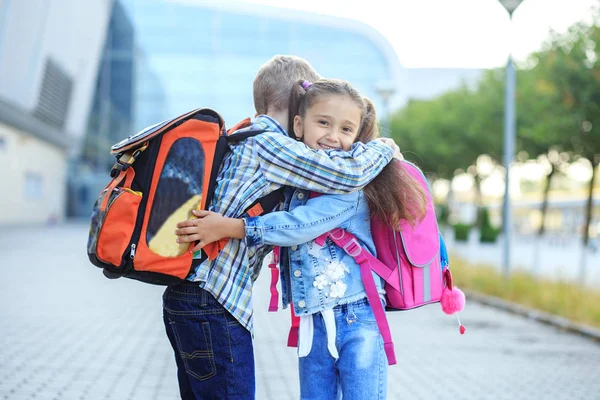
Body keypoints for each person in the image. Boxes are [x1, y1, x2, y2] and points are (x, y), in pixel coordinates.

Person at [164, 56, 401, 400]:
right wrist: (382, 148)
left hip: (189, 295)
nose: (330, 134)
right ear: (297, 105)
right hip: (214, 300)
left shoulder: (243, 134)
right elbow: (346, 174)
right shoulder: (272, 145)